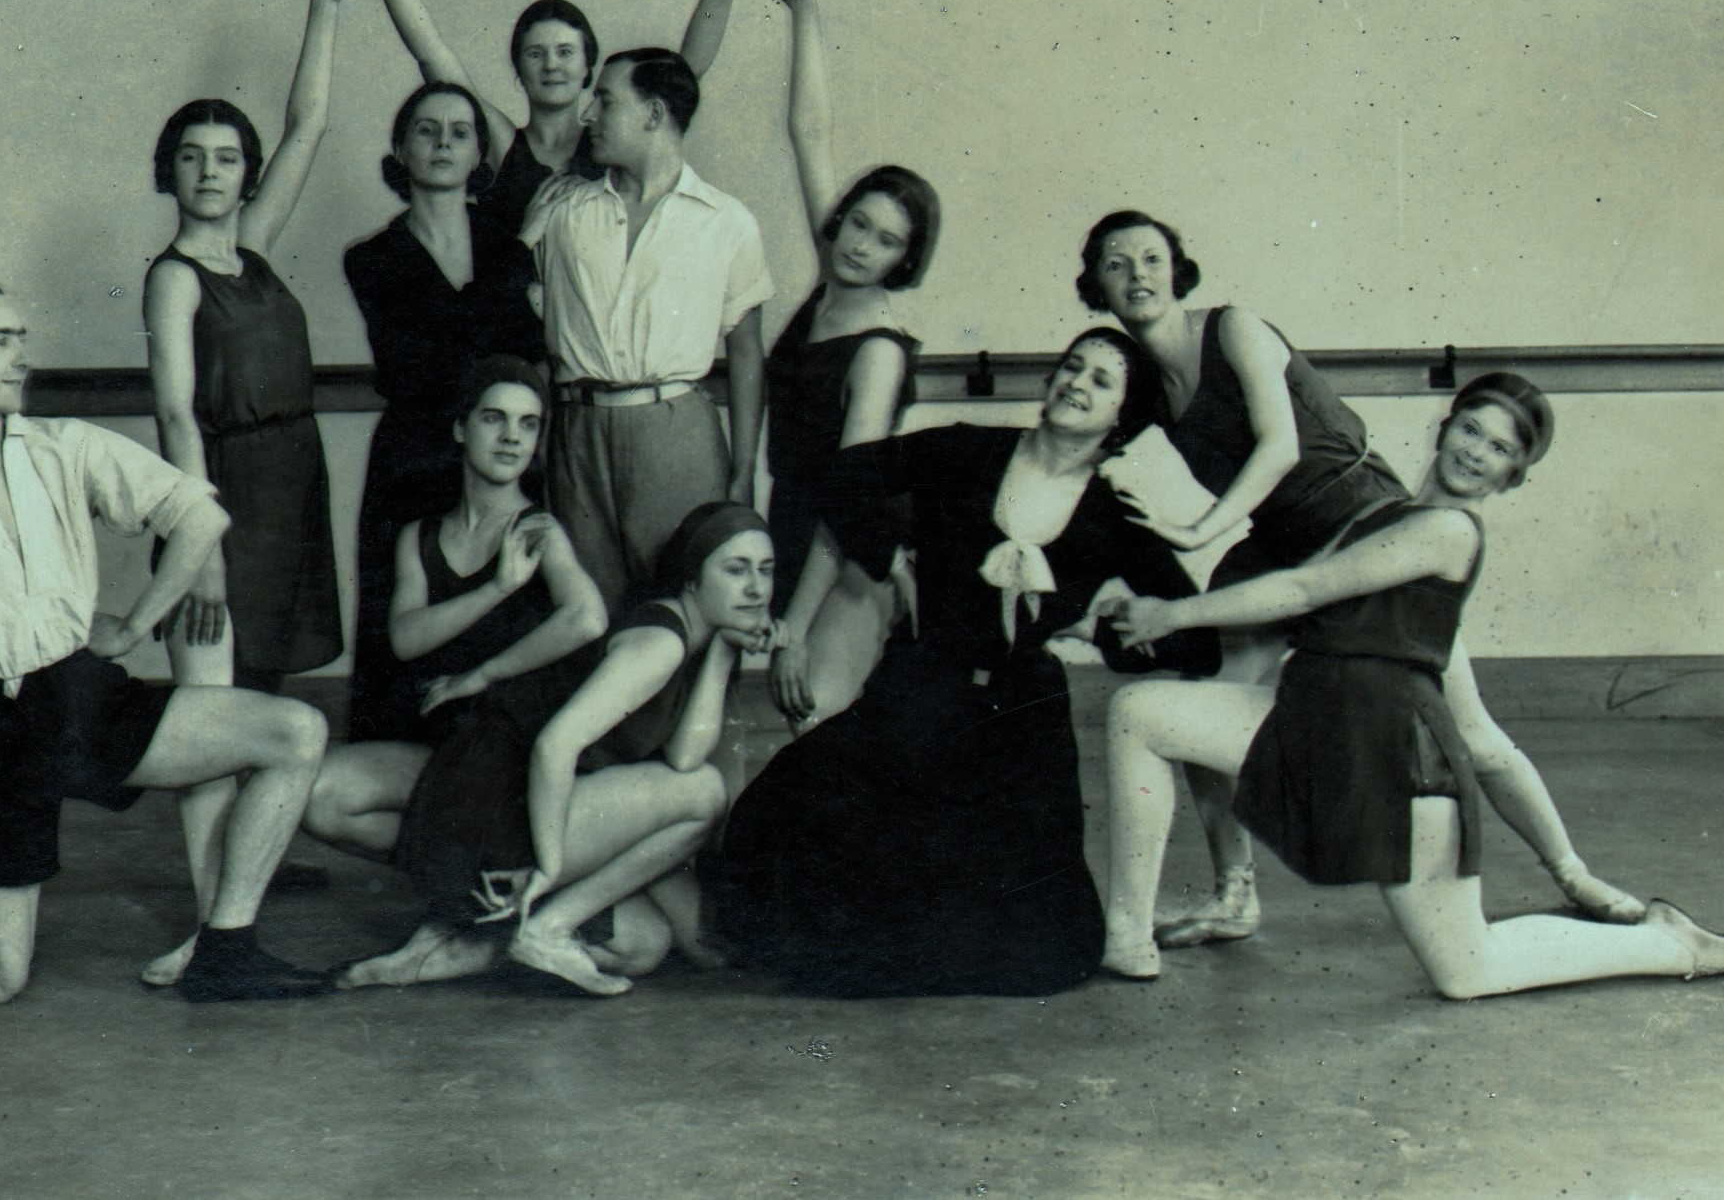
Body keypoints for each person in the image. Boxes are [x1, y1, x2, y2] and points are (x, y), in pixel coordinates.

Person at [1078, 210, 1639, 945]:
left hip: (1357, 518)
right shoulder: (1148, 383)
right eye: (1116, 265)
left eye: (1150, 258)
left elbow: (1279, 449)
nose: (1137, 276)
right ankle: (1233, 893)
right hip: (1277, 543)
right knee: (1198, 705)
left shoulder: (1234, 327)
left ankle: (1572, 872)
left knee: (1471, 730)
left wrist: (1194, 531)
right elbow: (1076, 447)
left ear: (1177, 269)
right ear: (1097, 286)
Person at [0, 276, 333, 1003]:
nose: (21, 357)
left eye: (23, 340)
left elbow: (198, 514)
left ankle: (226, 946)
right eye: (0, 339)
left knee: (296, 731)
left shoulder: (63, 446)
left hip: (86, 698)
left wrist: (138, 623)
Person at [1098, 374, 1724, 996]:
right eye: (1471, 429)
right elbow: (1282, 604)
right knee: (1140, 712)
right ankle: (1126, 935)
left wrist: (1171, 613)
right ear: (1443, 427)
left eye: (1500, 450)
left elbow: (1305, 589)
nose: (1476, 452)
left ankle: (1669, 944)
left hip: (1392, 752)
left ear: (1513, 477)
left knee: (1468, 972)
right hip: (1312, 719)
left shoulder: (1448, 531)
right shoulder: (1384, 513)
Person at [709, 330, 1220, 999]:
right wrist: (891, 561)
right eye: (1072, 365)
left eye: (1100, 380)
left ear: (1121, 417)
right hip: (919, 690)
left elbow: (1195, 640)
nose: (1076, 383)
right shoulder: (965, 447)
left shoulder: (1112, 518)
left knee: (1041, 950)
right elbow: (832, 476)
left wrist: (1107, 626)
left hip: (1020, 723)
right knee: (788, 813)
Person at [145, 358, 611, 990]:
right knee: (317, 794)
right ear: (459, 429)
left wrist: (481, 675)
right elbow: (406, 636)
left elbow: (586, 619)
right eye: (494, 418)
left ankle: (461, 896)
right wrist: (498, 586)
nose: (510, 437)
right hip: (449, 749)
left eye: (528, 426)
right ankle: (472, 883)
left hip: (514, 754)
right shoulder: (420, 535)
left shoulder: (537, 529)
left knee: (461, 780)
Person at [369, 501, 776, 996]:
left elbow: (685, 755)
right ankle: (546, 928)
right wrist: (550, 866)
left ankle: (462, 945)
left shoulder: (693, 639)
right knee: (706, 793)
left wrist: (725, 649)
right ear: (692, 577)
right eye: (736, 571)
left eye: (766, 571)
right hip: (502, 817)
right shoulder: (659, 643)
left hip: (534, 806)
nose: (756, 588)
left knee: (656, 945)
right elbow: (554, 747)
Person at [143, 0, 356, 694]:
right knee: (216, 694)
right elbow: (174, 417)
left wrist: (325, 0)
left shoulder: (252, 247)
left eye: (227, 158)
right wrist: (199, 546)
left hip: (291, 483)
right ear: (169, 170)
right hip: (224, 493)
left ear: (247, 176)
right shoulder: (174, 277)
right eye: (192, 156)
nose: (209, 170)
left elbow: (310, 125)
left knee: (265, 697)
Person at [743, 0, 937, 733]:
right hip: (795, 518)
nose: (861, 244)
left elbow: (852, 498)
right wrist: (806, 10)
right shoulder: (830, 279)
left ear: (905, 258)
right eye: (857, 222)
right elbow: (810, 132)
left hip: (851, 549)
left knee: (817, 712)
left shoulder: (881, 351)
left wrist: (794, 625)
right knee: (809, 731)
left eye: (885, 240)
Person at [322, 0, 771, 241]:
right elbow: (431, 53)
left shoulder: (610, 139)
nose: (551, 65)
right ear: (518, 70)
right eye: (536, 54)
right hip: (515, 335)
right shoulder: (500, 143)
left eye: (565, 53)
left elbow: (682, 74)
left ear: (588, 68)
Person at [519, 49, 774, 611]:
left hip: (676, 436)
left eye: (606, 100)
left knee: (686, 606)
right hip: (577, 435)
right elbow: (521, 331)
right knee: (588, 614)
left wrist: (744, 472)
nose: (588, 115)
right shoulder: (563, 212)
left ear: (654, 114)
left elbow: (748, 352)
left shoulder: (725, 221)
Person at [340, 86, 548, 744]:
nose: (443, 142)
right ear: (401, 149)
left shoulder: (508, 247)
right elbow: (418, 369)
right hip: (414, 460)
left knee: (507, 608)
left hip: (504, 456)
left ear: (479, 153)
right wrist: (506, 289)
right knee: (403, 622)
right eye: (426, 130)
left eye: (460, 131)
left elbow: (525, 359)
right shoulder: (370, 258)